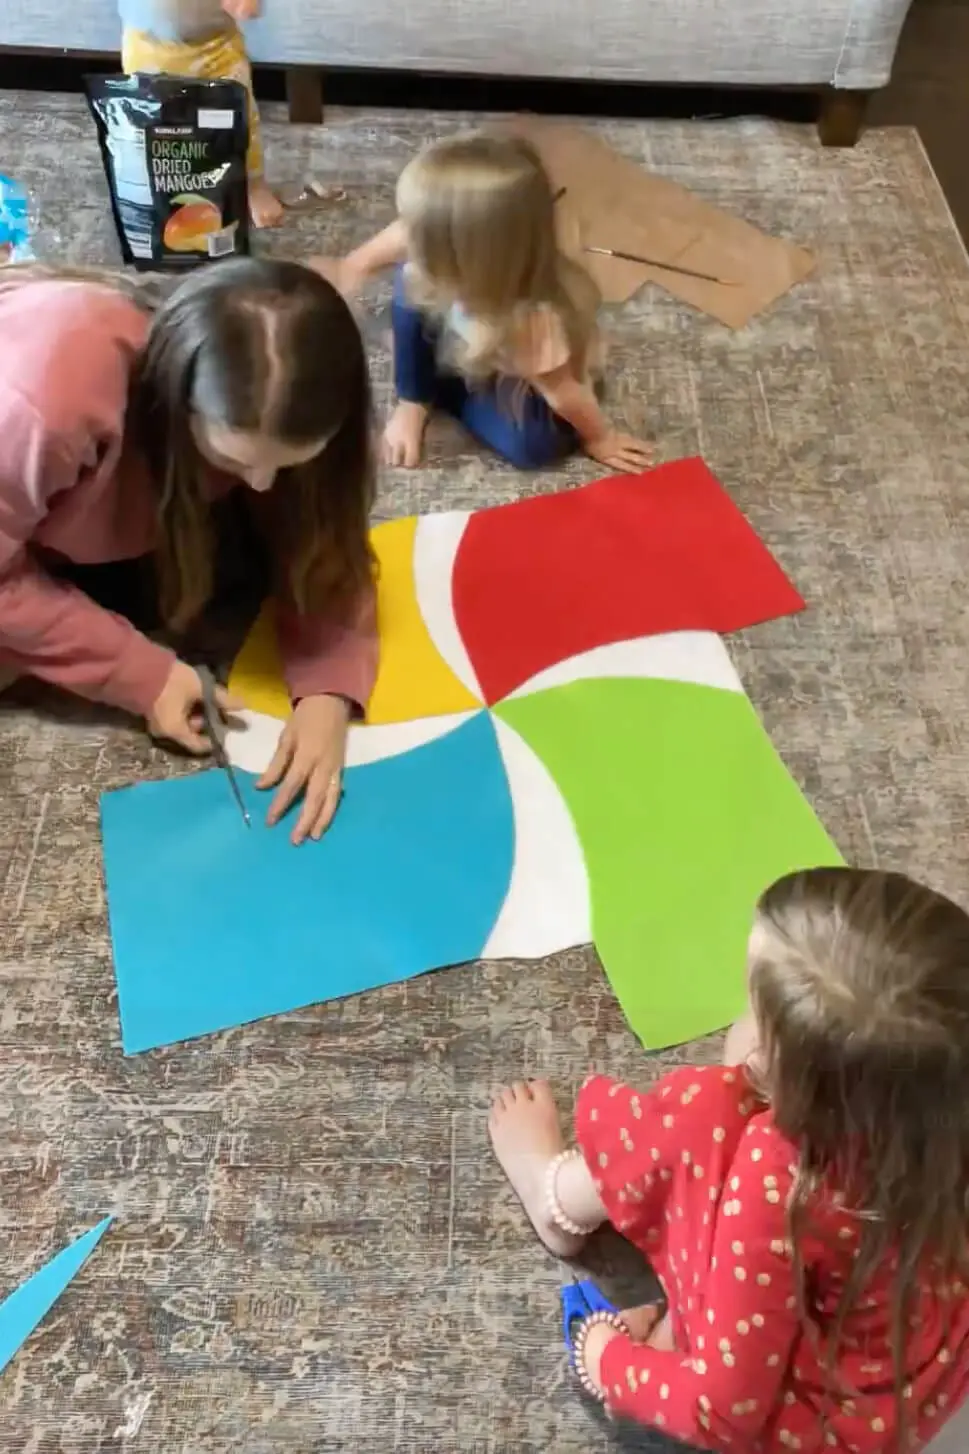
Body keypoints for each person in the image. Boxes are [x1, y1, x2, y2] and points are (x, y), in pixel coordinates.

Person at [489, 867, 969, 1452]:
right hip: (916, 1369)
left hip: (820, 1420)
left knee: (700, 1110)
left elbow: (724, 1411)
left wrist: (606, 1359)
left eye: (751, 1010)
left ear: (778, 1066)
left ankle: (559, 1197)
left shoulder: (776, 1178)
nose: (738, 1024)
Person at [0, 258, 377, 845]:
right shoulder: (44, 404)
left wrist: (328, 685)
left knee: (224, 577)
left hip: (99, 495)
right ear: (177, 397)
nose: (259, 485)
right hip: (25, 478)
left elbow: (323, 532)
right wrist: (140, 674)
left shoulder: (298, 388)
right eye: (233, 460)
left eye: (290, 462)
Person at [315, 132, 654, 474]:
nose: (407, 236)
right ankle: (415, 396)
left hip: (515, 366)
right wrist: (351, 267)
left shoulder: (530, 322)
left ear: (464, 253)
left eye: (421, 234)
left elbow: (566, 395)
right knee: (411, 281)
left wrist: (601, 438)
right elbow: (402, 236)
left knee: (536, 447)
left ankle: (437, 383)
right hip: (466, 325)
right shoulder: (438, 251)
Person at [118, 0, 284, 228]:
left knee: (239, 118)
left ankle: (253, 185)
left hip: (215, 47)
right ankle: (158, 184)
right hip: (146, 43)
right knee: (153, 122)